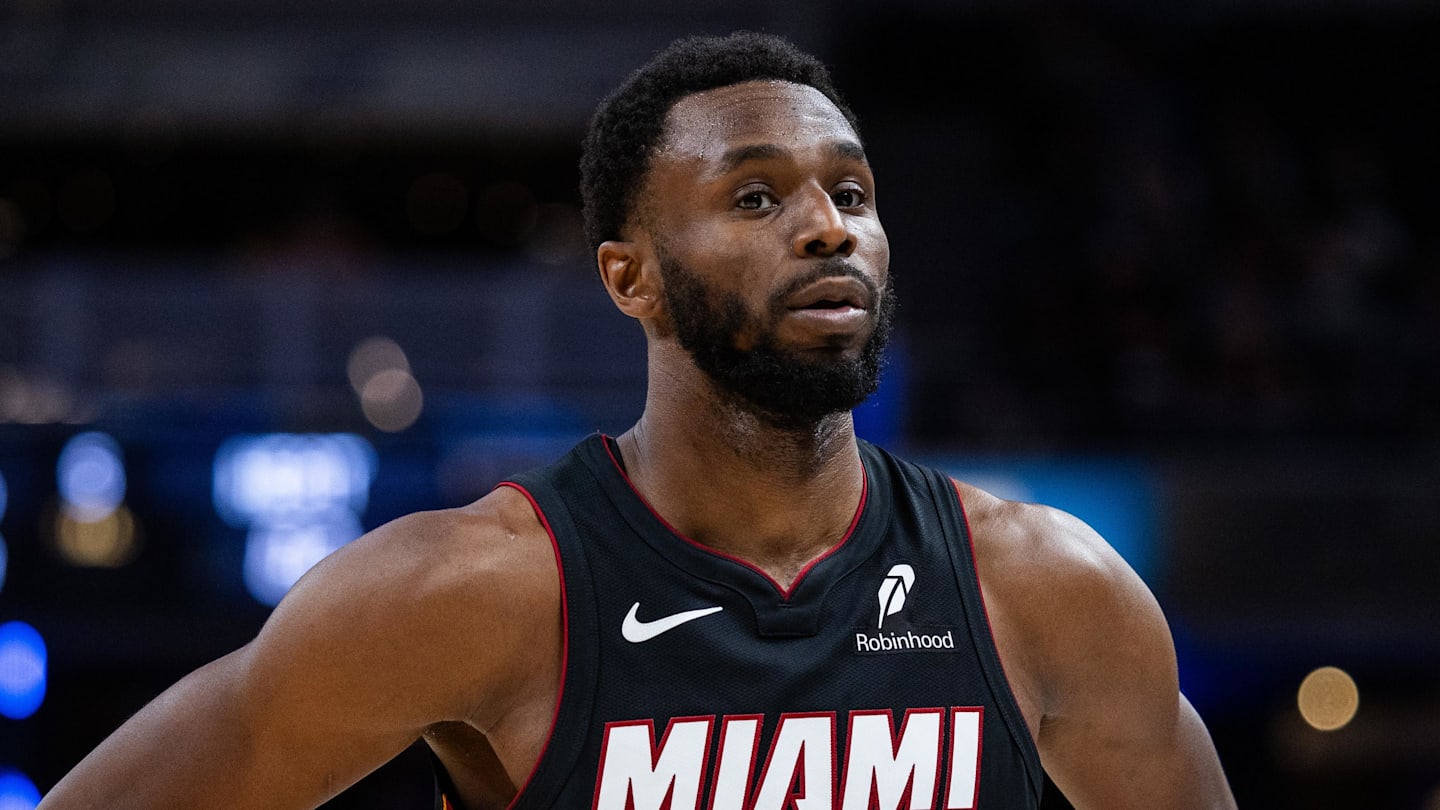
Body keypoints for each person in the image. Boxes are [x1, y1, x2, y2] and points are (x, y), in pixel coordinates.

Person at [39, 31, 1236, 810]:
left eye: (853, 193)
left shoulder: (1045, 591)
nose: (827, 227)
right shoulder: (476, 592)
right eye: (757, 195)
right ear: (631, 278)